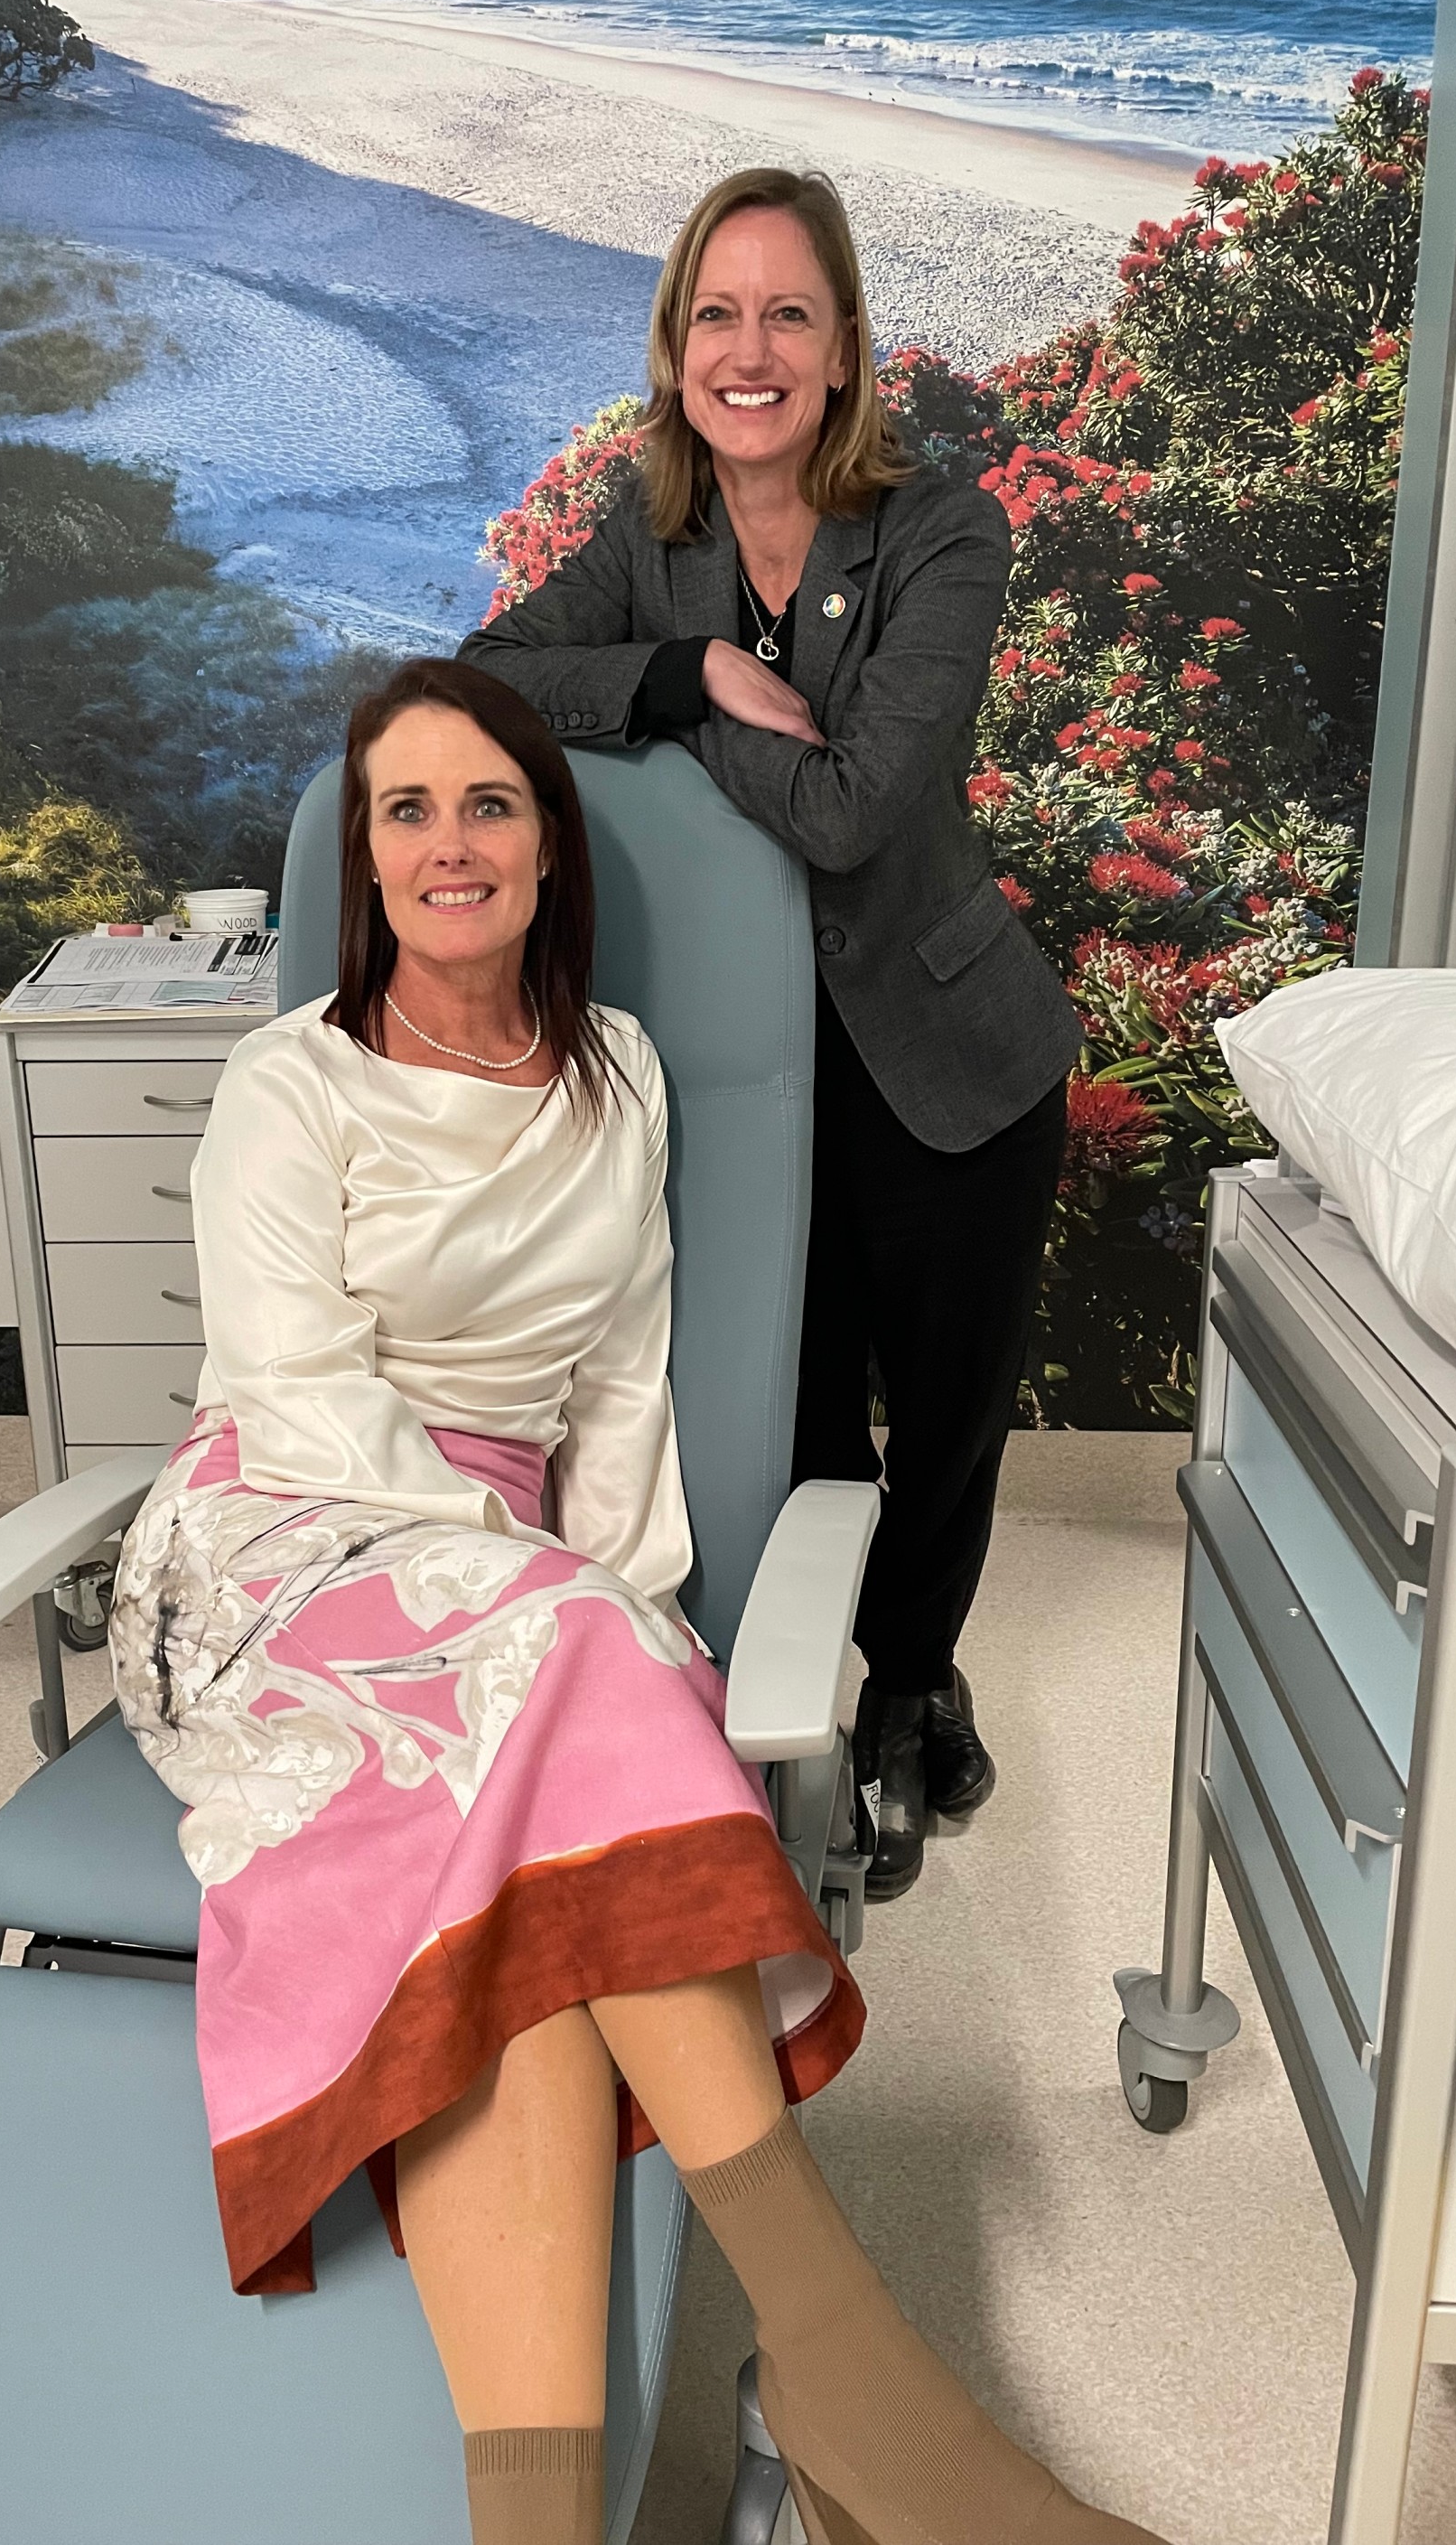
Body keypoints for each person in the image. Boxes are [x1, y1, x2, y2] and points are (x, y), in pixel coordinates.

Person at [108, 658, 1166, 2545]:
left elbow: (615, 1390)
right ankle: (854, 2375)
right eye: (408, 810)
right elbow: (295, 1392)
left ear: (545, 845)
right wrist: (544, 1601)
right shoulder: (295, 1080)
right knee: (567, 1666)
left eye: (488, 804)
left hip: (516, 1576)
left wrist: (616, 1604)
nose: (450, 844)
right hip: (278, 1537)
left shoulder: (619, 1074)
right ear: (367, 859)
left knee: (533, 1933)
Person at [462, 169, 1079, 1903]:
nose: (752, 350)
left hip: (949, 1059)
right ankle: (807, 1684)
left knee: (947, 1419)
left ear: (843, 348)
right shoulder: (648, 543)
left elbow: (854, 807)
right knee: (794, 1407)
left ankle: (915, 1680)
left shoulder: (944, 533)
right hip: (754, 1078)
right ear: (677, 348)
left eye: (788, 313)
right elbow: (483, 675)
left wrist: (688, 700)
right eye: (718, 315)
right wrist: (688, 675)